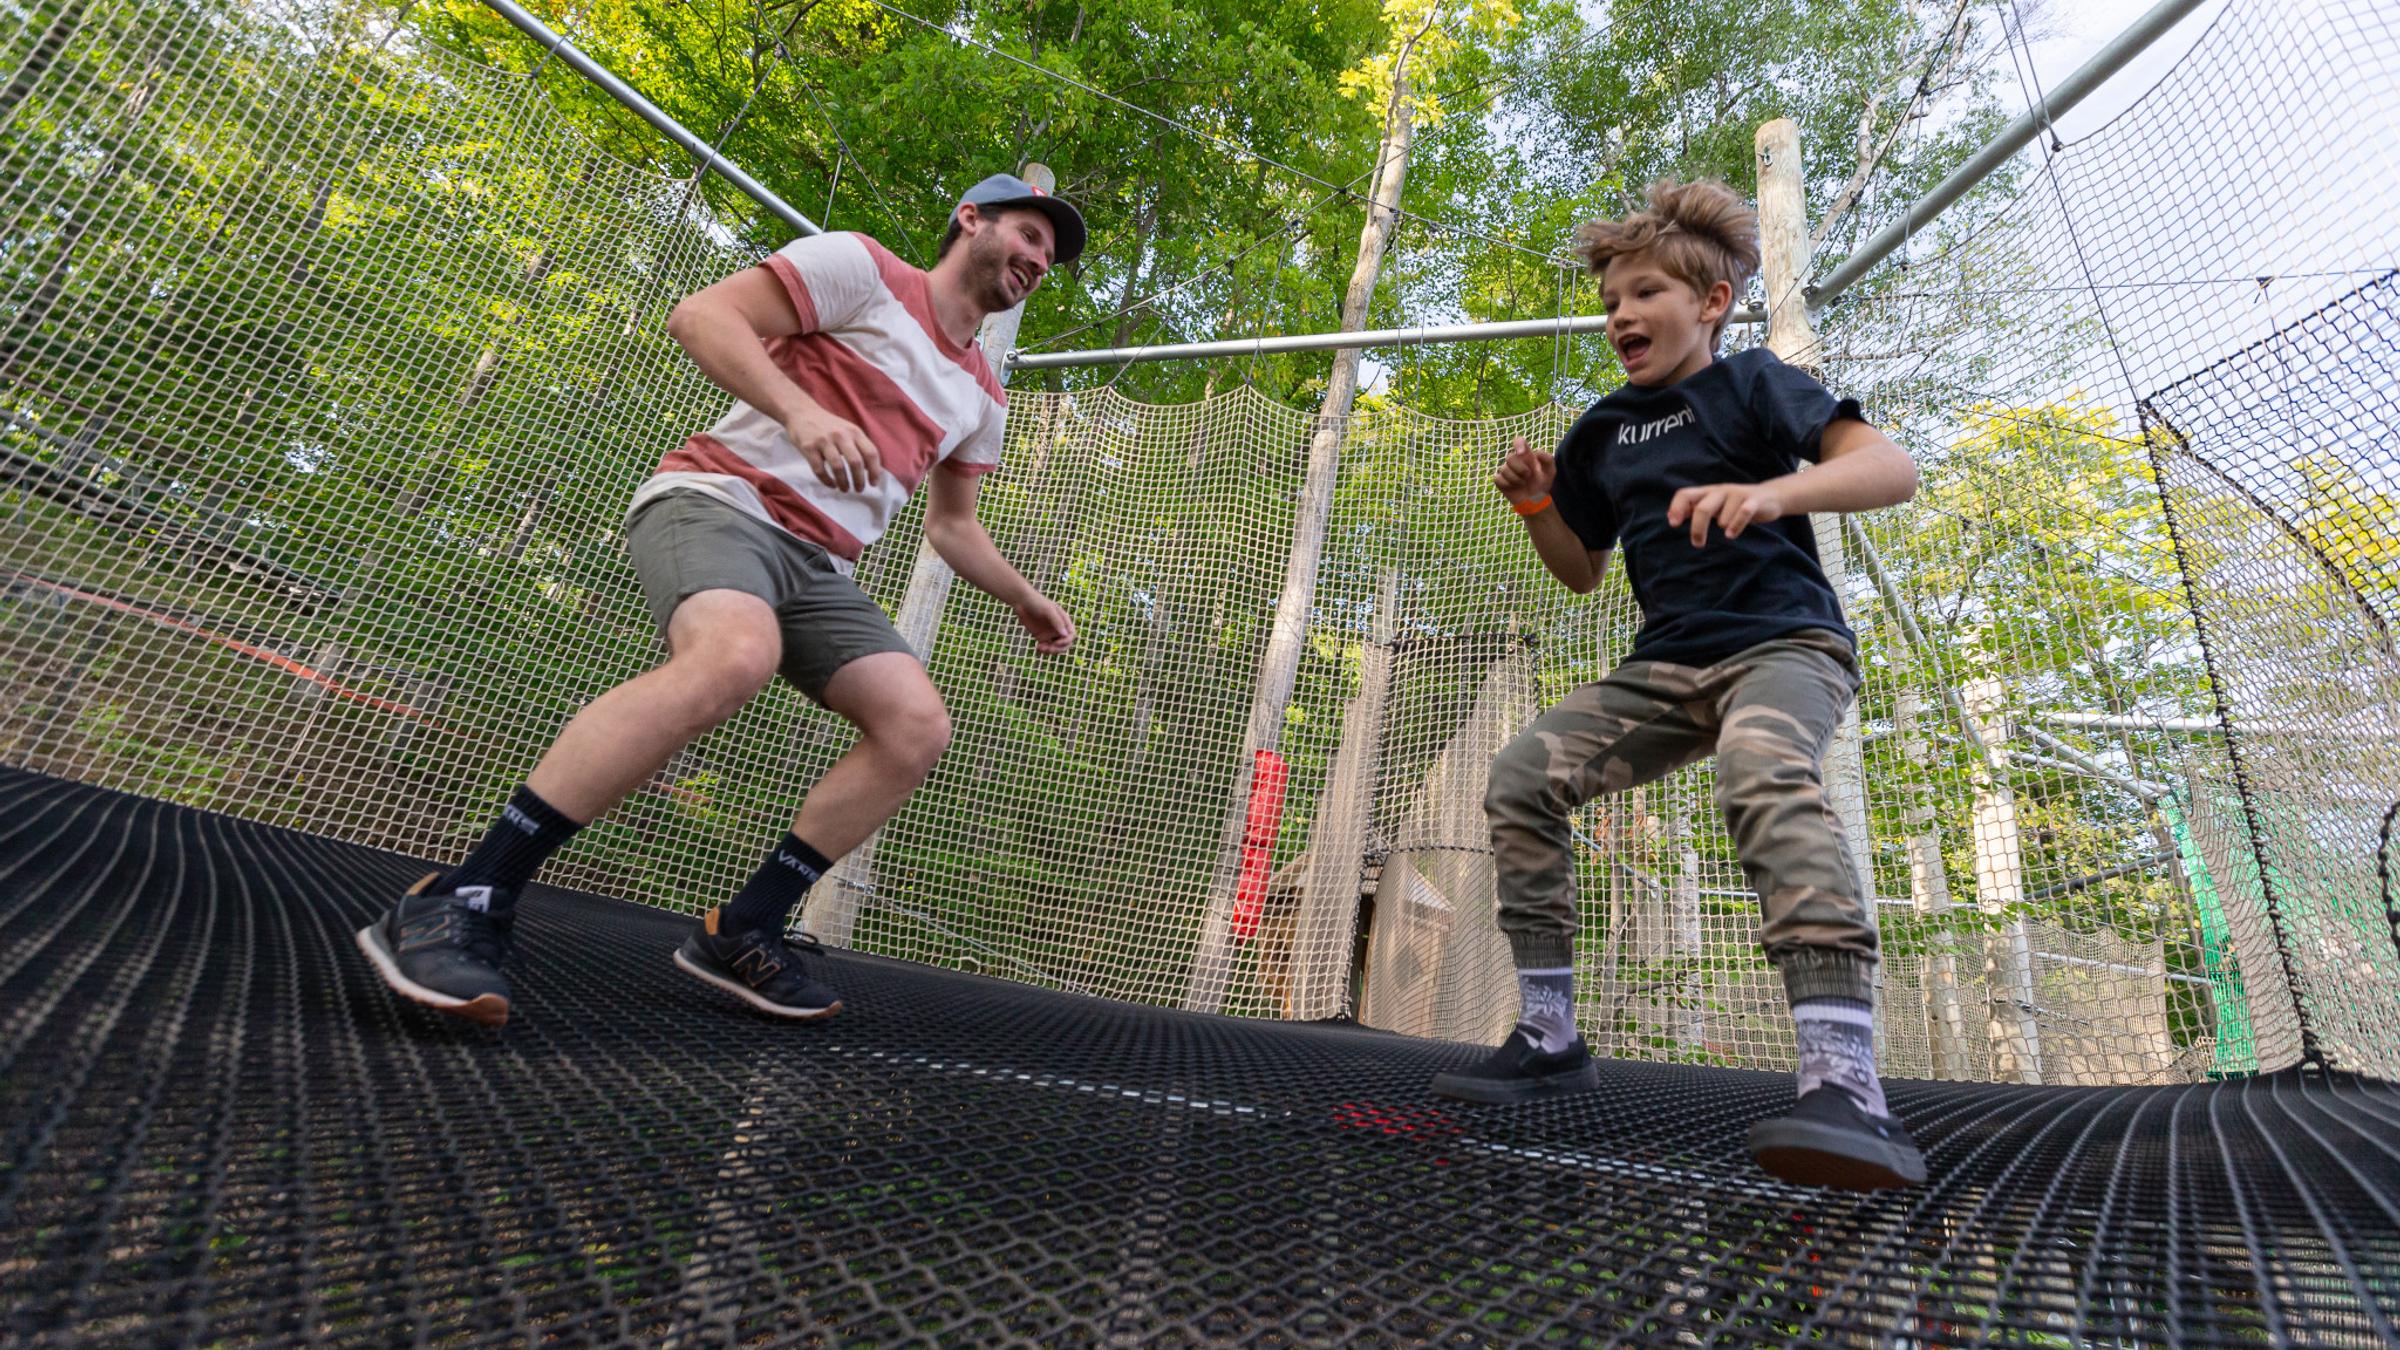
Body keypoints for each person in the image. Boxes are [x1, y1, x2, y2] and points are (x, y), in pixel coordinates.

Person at [358, 173, 1086, 1028]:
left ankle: (743, 926)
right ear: (970, 220)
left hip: (821, 568)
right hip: (719, 504)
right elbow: (700, 315)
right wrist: (801, 411)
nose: (1040, 259)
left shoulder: (982, 394)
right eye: (1030, 236)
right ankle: (466, 892)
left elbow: (953, 527)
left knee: (916, 726)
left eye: (1052, 255)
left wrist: (1026, 599)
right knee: (737, 655)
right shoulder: (863, 269)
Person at [1428, 179, 1928, 1191]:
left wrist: (1771, 490)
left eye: (1644, 292)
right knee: (1523, 774)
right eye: (1611, 300)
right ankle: (1551, 1032)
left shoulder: (1751, 386)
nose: (1620, 314)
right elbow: (1581, 567)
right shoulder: (1603, 431)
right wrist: (1536, 507)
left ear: (1711, 302)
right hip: (1666, 668)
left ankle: (1844, 1080)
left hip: (1783, 649)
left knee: (1759, 772)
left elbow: (1890, 468)